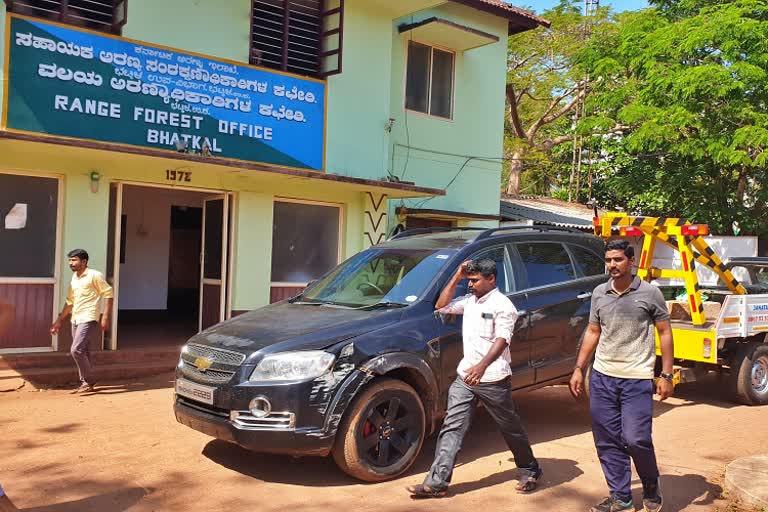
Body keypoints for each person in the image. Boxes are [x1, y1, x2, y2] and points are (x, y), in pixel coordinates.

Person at [407, 258, 541, 498]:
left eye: (475, 280)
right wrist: (457, 276)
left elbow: (502, 340)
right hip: (466, 376)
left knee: (509, 427)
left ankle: (529, 469)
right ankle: (436, 483)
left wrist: (482, 366)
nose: (471, 285)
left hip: (493, 379)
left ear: (491, 279)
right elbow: (441, 306)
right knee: (452, 427)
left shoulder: (503, 305)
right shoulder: (469, 301)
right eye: (469, 280)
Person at [570, 240, 674, 512]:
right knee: (606, 440)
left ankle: (650, 483)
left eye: (617, 260)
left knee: (635, 438)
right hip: (603, 377)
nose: (612, 265)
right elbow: (593, 331)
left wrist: (666, 374)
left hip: (637, 377)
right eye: (608, 260)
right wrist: (579, 368)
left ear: (631, 261)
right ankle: (621, 497)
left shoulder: (650, 293)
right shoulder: (599, 293)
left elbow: (664, 332)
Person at [50, 249, 114, 394]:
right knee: (83, 350)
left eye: (74, 260)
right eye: (70, 260)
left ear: (84, 262)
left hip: (89, 317)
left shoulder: (95, 275)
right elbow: (70, 301)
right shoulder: (74, 278)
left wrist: (105, 317)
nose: (71, 263)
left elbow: (108, 294)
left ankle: (89, 379)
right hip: (76, 317)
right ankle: (86, 383)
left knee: (76, 350)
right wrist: (59, 321)